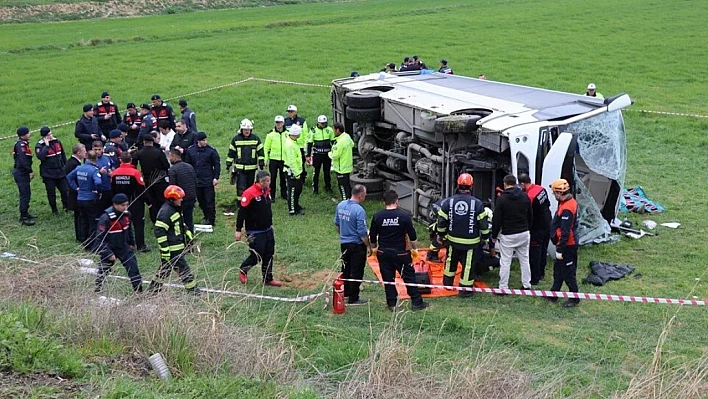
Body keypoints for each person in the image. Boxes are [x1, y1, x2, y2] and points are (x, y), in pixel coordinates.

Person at [370, 190, 429, 311]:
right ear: (397, 201)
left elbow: (372, 236)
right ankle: (417, 302)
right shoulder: (404, 216)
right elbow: (412, 236)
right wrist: (414, 250)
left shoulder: (377, 216)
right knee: (409, 277)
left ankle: (392, 304)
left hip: (384, 253)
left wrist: (375, 249)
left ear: (383, 202)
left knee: (388, 279)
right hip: (401, 253)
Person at [436, 173, 490, 297]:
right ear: (471, 186)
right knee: (468, 265)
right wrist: (486, 238)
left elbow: (441, 222)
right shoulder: (477, 203)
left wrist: (441, 235)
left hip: (452, 240)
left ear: (458, 185)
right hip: (471, 242)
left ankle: (448, 283)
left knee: (450, 261)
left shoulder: (448, 202)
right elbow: (483, 224)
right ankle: (465, 290)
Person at [234, 170, 283, 287]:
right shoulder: (249, 193)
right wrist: (238, 229)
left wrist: (270, 225)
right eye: (264, 181)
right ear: (258, 181)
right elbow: (242, 213)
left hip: (267, 229)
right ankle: (243, 269)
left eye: (268, 180)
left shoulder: (267, 191)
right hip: (255, 231)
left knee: (269, 254)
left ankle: (268, 278)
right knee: (257, 255)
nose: (267, 183)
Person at [147, 185, 198, 294]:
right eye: (179, 198)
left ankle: (153, 291)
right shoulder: (166, 212)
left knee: (164, 270)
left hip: (176, 246)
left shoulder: (174, 209)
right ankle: (194, 292)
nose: (181, 199)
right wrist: (165, 249)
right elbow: (159, 231)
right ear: (172, 199)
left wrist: (186, 230)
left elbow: (178, 223)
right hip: (172, 248)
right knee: (184, 269)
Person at [94, 193, 143, 293]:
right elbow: (99, 239)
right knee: (104, 270)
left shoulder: (127, 214)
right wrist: (108, 253)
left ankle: (138, 291)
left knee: (133, 268)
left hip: (123, 246)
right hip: (110, 247)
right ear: (115, 205)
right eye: (123, 205)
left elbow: (129, 229)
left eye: (127, 204)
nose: (125, 207)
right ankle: (98, 288)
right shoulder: (106, 218)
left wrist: (132, 243)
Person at [492, 174, 533, 291]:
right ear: (516, 183)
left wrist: (494, 236)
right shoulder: (525, 196)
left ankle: (503, 287)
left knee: (505, 261)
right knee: (525, 259)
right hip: (524, 232)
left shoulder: (501, 199)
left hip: (508, 235)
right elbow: (530, 215)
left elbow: (497, 219)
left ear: (505, 184)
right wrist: (528, 228)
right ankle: (527, 285)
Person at [334, 184, 372, 305]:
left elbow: (337, 224)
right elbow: (362, 232)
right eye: (364, 195)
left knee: (346, 268)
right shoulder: (359, 211)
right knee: (357, 271)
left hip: (344, 244)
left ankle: (345, 292)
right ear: (360, 196)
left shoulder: (341, 205)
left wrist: (344, 234)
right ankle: (353, 298)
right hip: (357, 245)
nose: (365, 197)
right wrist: (368, 245)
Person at [547, 179, 580, 308]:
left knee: (568, 272)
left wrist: (560, 249)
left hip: (567, 246)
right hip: (565, 244)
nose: (554, 195)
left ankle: (575, 297)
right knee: (558, 269)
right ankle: (554, 293)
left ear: (559, 193)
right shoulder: (565, 202)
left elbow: (565, 232)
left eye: (554, 193)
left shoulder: (567, 208)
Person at [66, 149, 106, 248]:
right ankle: (92, 244)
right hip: (90, 199)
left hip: (80, 198)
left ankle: (84, 242)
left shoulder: (79, 168)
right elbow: (98, 182)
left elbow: (69, 177)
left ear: (86, 158)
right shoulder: (94, 170)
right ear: (96, 159)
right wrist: (98, 191)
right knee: (93, 222)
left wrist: (76, 188)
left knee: (83, 221)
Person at [112, 152, 150, 253]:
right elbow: (141, 189)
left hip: (119, 204)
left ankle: (125, 245)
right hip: (135, 203)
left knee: (122, 225)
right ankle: (141, 246)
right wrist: (148, 202)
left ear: (120, 160)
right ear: (131, 160)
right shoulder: (135, 173)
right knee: (138, 225)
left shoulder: (115, 173)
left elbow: (112, 189)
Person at [519, 173, 551, 285]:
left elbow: (528, 214)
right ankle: (541, 273)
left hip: (537, 227)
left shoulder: (530, 196)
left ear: (522, 183)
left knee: (535, 253)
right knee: (543, 250)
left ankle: (534, 278)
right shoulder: (541, 189)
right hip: (547, 223)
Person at [184, 132, 220, 226]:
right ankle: (206, 216)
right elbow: (188, 164)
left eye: (205, 140)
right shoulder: (191, 151)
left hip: (208, 180)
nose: (205, 142)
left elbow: (216, 165)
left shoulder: (211, 151)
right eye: (203, 140)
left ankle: (211, 220)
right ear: (198, 141)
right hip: (196, 180)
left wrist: (216, 177)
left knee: (210, 201)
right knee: (201, 200)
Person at [132, 135, 170, 223]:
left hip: (147, 179)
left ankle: (154, 218)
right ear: (153, 142)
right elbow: (166, 165)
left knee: (151, 199)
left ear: (144, 142)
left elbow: (133, 163)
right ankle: (163, 217)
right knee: (161, 199)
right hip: (159, 179)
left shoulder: (140, 153)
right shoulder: (158, 152)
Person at [226, 118, 264, 202]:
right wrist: (228, 165)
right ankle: (241, 203)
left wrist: (261, 163)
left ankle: (249, 202)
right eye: (245, 130)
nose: (247, 131)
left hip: (251, 168)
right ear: (241, 129)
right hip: (240, 169)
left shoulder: (256, 139)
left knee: (250, 187)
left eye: (248, 130)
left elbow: (260, 152)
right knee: (241, 187)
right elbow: (231, 153)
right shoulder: (236, 139)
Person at [35, 126, 69, 216]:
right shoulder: (39, 145)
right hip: (48, 174)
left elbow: (63, 154)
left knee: (64, 190)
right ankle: (54, 210)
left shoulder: (57, 141)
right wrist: (46, 146)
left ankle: (66, 206)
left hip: (60, 171)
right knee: (51, 193)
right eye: (49, 134)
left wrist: (66, 166)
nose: (51, 135)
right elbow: (41, 157)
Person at [168, 148, 197, 234]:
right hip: (191, 197)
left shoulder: (173, 170)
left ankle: (181, 238)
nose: (169, 159)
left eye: (170, 157)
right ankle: (190, 239)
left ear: (173, 156)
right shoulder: (190, 166)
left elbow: (172, 187)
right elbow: (195, 182)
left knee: (178, 220)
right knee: (189, 219)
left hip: (180, 199)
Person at [13, 126, 36, 226]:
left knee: (27, 193)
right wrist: (30, 171)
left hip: (22, 172)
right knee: (25, 194)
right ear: (23, 135)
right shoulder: (21, 145)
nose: (29, 134)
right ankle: (23, 217)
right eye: (28, 133)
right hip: (21, 173)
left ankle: (25, 212)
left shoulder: (22, 144)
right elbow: (23, 161)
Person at [307, 115, 334, 194]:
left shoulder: (329, 130)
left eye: (325, 123)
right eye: (322, 123)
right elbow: (309, 143)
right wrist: (308, 155)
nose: (323, 125)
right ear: (318, 123)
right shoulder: (313, 130)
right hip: (317, 155)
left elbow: (333, 142)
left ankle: (328, 187)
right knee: (316, 172)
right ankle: (315, 189)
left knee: (327, 172)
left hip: (327, 155)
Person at [65, 143, 86, 241]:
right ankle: (81, 237)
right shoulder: (74, 164)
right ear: (78, 153)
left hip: (75, 194)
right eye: (84, 150)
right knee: (79, 217)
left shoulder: (72, 162)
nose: (86, 152)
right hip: (75, 195)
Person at [264, 115, 288, 201]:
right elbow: (266, 147)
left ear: (283, 123)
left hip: (284, 160)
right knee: (272, 178)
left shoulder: (287, 134)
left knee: (283, 178)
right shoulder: (270, 134)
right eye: (277, 122)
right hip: (274, 160)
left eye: (280, 122)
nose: (278, 124)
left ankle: (284, 194)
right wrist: (266, 159)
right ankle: (272, 195)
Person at [329, 122, 354, 200]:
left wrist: (329, 153)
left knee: (343, 187)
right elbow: (352, 144)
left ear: (337, 130)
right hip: (348, 167)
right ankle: (350, 200)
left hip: (341, 169)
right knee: (348, 186)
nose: (333, 131)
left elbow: (335, 156)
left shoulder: (339, 142)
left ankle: (345, 203)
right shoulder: (347, 136)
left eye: (334, 130)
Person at [284, 105, 308, 184]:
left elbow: (305, 134)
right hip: (290, 146)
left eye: (291, 112)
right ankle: (291, 177)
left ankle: (302, 178)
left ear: (295, 112)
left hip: (300, 146)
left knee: (300, 163)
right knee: (291, 162)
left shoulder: (302, 121)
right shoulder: (285, 121)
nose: (290, 113)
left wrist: (305, 147)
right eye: (289, 112)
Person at [283, 125, 304, 215]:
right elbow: (291, 162)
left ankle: (296, 205)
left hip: (296, 171)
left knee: (298, 189)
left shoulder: (292, 142)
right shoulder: (290, 145)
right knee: (292, 191)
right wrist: (296, 174)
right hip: (292, 171)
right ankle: (292, 210)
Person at [92, 140, 114, 210]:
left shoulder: (107, 157)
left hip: (108, 186)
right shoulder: (90, 159)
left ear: (102, 149)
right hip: (97, 188)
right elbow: (89, 172)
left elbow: (113, 165)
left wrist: (112, 171)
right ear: (92, 149)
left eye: (99, 149)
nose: (97, 151)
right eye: (95, 149)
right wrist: (99, 172)